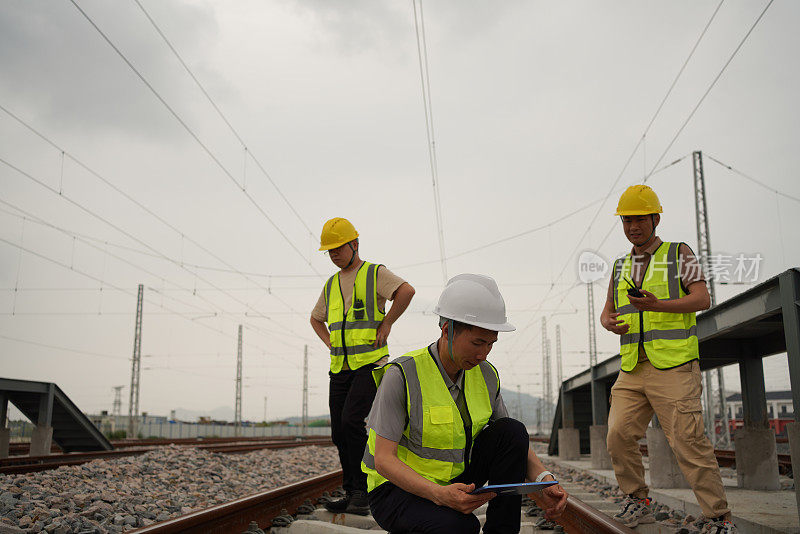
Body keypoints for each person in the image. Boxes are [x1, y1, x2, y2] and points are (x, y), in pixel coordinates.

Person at [361, 274, 568, 534]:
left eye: (491, 344)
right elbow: (383, 460)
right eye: (477, 343)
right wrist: (439, 494)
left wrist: (542, 479)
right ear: (447, 330)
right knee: (461, 528)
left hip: (455, 482)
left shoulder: (486, 375)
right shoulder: (402, 374)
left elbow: (513, 443)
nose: (483, 354)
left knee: (511, 430)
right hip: (397, 491)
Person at [599, 185, 736, 533]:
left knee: (688, 442)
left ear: (655, 219)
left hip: (674, 366)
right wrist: (609, 322)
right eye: (627, 220)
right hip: (632, 366)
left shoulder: (679, 254)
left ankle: (719, 518)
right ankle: (637, 500)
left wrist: (658, 305)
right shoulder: (620, 266)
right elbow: (606, 314)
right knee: (617, 434)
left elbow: (702, 298)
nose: (632, 227)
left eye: (639, 219)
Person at [310, 217, 415, 515]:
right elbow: (316, 319)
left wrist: (388, 322)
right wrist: (329, 342)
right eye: (328, 250)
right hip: (340, 366)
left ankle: (364, 493)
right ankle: (353, 491)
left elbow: (406, 291)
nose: (333, 254)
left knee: (352, 422)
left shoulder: (373, 273)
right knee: (338, 432)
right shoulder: (331, 284)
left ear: (354, 245)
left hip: (371, 363)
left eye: (337, 248)